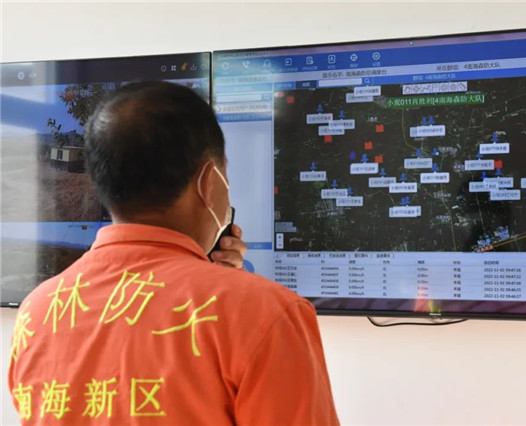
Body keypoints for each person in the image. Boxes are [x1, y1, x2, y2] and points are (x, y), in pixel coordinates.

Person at [8, 81, 339, 425]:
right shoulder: (270, 314)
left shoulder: (37, 311)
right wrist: (233, 298)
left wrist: (221, 288)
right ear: (210, 180)